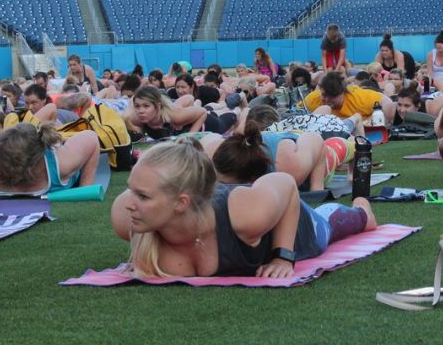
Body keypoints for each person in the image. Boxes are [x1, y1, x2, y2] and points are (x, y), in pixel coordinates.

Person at [110, 140, 377, 278]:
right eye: (130, 189)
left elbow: (285, 184)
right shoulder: (126, 217)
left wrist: (282, 257)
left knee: (333, 224)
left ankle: (362, 209)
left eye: (142, 196)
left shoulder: (246, 215)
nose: (129, 203)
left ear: (181, 202)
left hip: (292, 222)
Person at [203, 107, 334, 191]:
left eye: (227, 185)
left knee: (340, 145)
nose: (222, 189)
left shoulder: (290, 169)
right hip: (260, 136)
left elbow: (316, 140)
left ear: (252, 179)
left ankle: (355, 118)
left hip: (310, 144)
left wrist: (317, 188)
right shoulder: (210, 155)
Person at [0, 122, 100, 197]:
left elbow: (91, 137)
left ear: (27, 166)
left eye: (2, 167)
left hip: (48, 155)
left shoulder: (62, 163)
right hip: (2, 148)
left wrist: (84, 189)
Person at [303, 71, 395, 123]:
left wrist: (369, 121)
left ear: (343, 93)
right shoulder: (313, 99)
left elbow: (386, 102)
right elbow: (297, 112)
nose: (326, 100)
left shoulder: (359, 97)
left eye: (332, 96)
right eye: (324, 95)